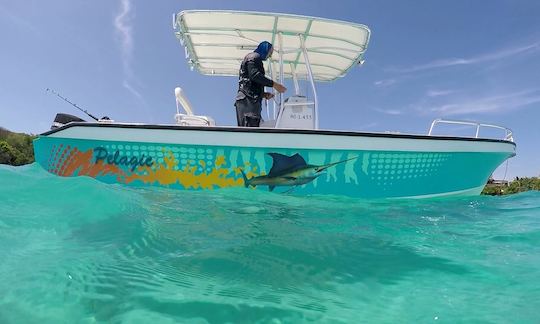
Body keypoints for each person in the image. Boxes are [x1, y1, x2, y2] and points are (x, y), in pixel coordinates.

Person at [235, 41, 287, 127]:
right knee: (250, 129)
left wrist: (263, 94)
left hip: (248, 100)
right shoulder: (254, 57)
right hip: (248, 101)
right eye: (270, 52)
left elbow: (250, 83)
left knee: (250, 128)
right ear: (264, 49)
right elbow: (254, 75)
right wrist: (275, 85)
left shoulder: (254, 58)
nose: (270, 55)